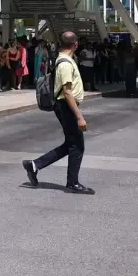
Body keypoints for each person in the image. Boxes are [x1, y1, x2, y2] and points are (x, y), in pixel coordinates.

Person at [24, 32, 92, 195]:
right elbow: (67, 92)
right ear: (76, 45)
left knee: (71, 144)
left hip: (64, 106)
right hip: (66, 106)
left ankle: (35, 165)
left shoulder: (63, 60)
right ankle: (72, 183)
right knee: (77, 145)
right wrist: (79, 117)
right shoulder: (65, 64)